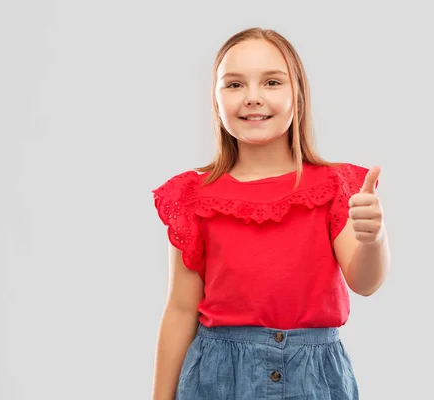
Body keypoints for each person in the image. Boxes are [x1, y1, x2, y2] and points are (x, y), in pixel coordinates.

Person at [151, 27, 391, 400]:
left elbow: (364, 281)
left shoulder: (335, 186)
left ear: (298, 94)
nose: (252, 98)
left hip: (313, 378)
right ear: (215, 101)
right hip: (217, 378)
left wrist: (372, 238)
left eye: (272, 82)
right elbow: (181, 309)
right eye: (234, 85)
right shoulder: (194, 195)